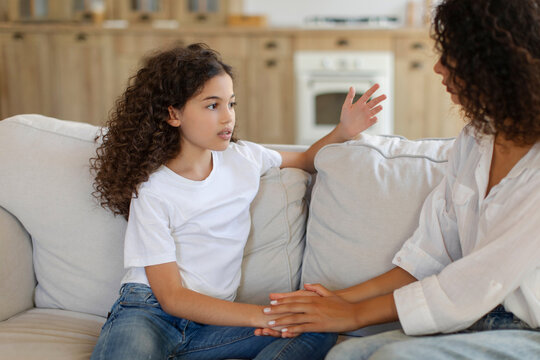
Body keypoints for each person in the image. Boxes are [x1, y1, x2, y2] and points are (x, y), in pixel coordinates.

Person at [257, 0, 540, 358]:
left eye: (452, 56)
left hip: (528, 332)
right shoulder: (476, 141)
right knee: (343, 355)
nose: (437, 68)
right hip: (472, 322)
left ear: (494, 64)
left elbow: (478, 281)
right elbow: (430, 256)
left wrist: (353, 313)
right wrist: (324, 301)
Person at [89, 43, 386, 360]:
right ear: (173, 113)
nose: (227, 117)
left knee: (316, 324)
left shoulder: (243, 158)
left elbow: (305, 159)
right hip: (148, 312)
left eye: (231, 104)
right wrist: (262, 316)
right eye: (212, 106)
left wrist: (343, 130)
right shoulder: (153, 190)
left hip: (213, 324)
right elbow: (172, 298)